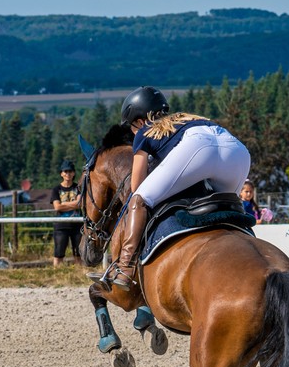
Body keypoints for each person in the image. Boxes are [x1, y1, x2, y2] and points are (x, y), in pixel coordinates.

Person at [106, 86, 251, 289]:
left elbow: (136, 185)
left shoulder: (146, 129)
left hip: (199, 148)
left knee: (140, 198)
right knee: (227, 209)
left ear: (139, 120)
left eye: (131, 126)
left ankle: (125, 266)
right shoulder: (188, 119)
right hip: (237, 151)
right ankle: (249, 248)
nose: (133, 131)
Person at [50, 159, 82, 266]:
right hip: (61, 225)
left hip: (77, 225)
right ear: (61, 174)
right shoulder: (56, 189)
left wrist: (64, 205)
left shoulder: (78, 188)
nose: (68, 174)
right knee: (58, 253)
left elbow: (80, 204)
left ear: (73, 173)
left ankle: (78, 273)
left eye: (70, 171)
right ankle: (56, 272)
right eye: (65, 171)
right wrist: (73, 204)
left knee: (78, 253)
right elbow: (57, 207)